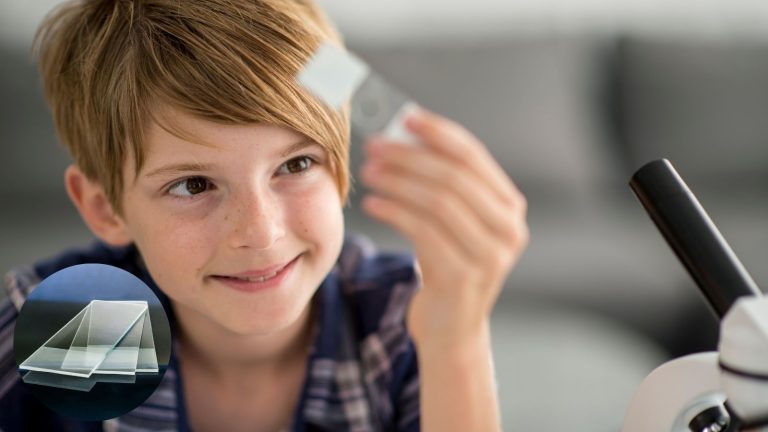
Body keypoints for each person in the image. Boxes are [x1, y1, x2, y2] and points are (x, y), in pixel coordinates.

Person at [0, 0, 529, 430]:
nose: (260, 231)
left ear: (342, 165)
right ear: (103, 207)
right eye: (194, 184)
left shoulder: (398, 323)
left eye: (296, 163)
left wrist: (454, 341)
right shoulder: (57, 328)